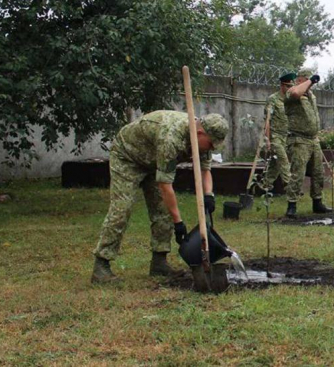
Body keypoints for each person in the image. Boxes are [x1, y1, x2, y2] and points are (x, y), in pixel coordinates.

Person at [91, 110, 228, 284]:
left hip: (154, 162)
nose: (212, 148)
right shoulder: (171, 137)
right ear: (200, 133)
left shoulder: (202, 141)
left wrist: (209, 195)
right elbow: (165, 185)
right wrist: (179, 223)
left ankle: (159, 263)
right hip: (128, 157)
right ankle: (101, 266)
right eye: (211, 144)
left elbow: (205, 170)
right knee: (122, 209)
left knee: (163, 211)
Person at [283, 68, 333, 218]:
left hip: (313, 139)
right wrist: (310, 81)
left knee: (318, 172)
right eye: (307, 80)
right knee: (298, 173)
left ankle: (317, 202)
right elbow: (295, 93)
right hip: (299, 140)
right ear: (300, 80)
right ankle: (292, 205)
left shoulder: (311, 95)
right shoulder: (292, 92)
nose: (311, 84)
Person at [262, 73, 295, 193]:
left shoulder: (290, 99)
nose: (289, 88)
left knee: (276, 163)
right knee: (283, 160)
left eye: (291, 86)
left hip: (287, 136)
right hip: (275, 136)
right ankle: (290, 187)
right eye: (287, 86)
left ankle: (265, 186)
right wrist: (267, 139)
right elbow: (267, 120)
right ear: (281, 85)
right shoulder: (273, 99)